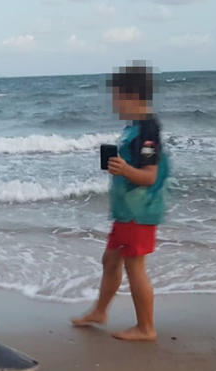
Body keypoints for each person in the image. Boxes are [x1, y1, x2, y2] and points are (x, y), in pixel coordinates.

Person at [71, 62, 170, 341]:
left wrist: (125, 170)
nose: (113, 102)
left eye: (116, 95)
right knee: (110, 259)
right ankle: (100, 311)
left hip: (139, 212)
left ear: (131, 95)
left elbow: (150, 176)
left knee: (134, 266)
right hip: (127, 212)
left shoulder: (147, 132)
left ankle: (146, 328)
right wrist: (120, 167)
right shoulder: (135, 126)